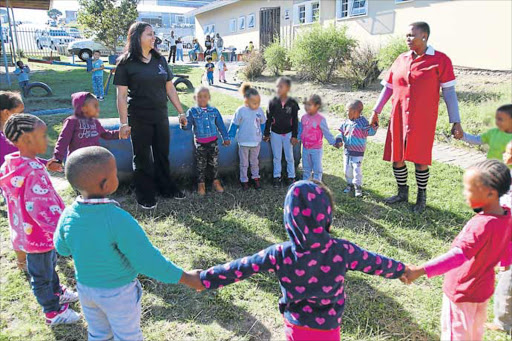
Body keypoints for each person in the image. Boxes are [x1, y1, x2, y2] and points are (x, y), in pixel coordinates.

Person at [200, 180, 406, 341]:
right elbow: (377, 263)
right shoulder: (342, 250)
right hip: (329, 330)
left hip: (295, 329)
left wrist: (204, 278)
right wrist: (403, 270)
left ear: (289, 217)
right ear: (327, 215)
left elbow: (241, 267)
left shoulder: (279, 253)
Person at [54, 146, 204, 340]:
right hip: (118, 294)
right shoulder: (118, 219)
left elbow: (61, 248)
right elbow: (147, 260)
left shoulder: (68, 215)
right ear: (106, 184)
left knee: (98, 334)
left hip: (86, 291)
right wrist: (186, 277)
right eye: (115, 173)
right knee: (127, 336)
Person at [402, 159, 512, 341]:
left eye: (470, 189)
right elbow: (508, 246)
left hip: (462, 291)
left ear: (491, 193)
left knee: (456, 336)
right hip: (482, 292)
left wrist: (420, 270)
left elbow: (458, 256)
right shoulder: (507, 216)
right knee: (474, 334)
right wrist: (506, 263)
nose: (465, 193)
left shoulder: (481, 224)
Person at [370, 21, 464, 213]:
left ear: (424, 36)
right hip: (398, 116)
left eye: (412, 35)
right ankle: (402, 192)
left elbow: (449, 93)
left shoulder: (440, 60)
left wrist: (456, 121)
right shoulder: (401, 59)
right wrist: (375, 111)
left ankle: (421, 197)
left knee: (420, 158)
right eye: (406, 36)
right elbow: (388, 88)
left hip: (423, 118)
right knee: (398, 156)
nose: (408, 39)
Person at [0, 114, 81, 325]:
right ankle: (52, 311)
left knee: (48, 266)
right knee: (41, 276)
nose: (48, 140)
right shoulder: (33, 171)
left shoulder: (12, 164)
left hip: (25, 231)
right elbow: (41, 207)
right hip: (40, 233)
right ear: (26, 140)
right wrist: (62, 228)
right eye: (43, 136)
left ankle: (57, 291)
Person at [114, 22, 187, 209]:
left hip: (160, 115)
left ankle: (166, 188)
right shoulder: (125, 63)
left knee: (162, 153)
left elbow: (170, 88)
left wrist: (180, 112)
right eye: (149, 34)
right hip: (139, 116)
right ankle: (145, 194)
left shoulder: (160, 60)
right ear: (137, 37)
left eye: (153, 34)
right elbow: (121, 95)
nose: (154, 37)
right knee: (143, 157)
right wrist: (123, 123)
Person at [47, 92, 119, 171]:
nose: (98, 109)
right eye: (95, 106)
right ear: (83, 108)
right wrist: (58, 159)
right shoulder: (72, 121)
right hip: (77, 162)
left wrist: (120, 133)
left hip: (94, 160)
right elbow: (63, 140)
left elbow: (106, 134)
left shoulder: (95, 122)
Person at [181, 87, 230, 196]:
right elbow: (187, 127)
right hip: (200, 144)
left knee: (214, 164)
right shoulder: (192, 112)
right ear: (195, 98)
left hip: (213, 142)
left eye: (205, 97)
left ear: (209, 98)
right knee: (200, 165)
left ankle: (215, 181)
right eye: (199, 97)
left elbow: (221, 125)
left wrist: (225, 138)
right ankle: (201, 184)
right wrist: (183, 124)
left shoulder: (214, 111)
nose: (202, 99)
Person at [0, 91, 26, 270]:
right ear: (5, 113)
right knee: (18, 219)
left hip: (10, 181)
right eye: (19, 111)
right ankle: (22, 261)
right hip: (10, 184)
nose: (22, 116)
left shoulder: (7, 132)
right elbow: (18, 157)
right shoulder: (4, 139)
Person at [336, 100, 377, 197]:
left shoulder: (363, 123)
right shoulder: (346, 122)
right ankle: (349, 184)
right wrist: (338, 139)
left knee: (356, 170)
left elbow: (370, 132)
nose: (346, 113)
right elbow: (341, 132)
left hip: (358, 152)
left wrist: (374, 124)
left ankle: (357, 187)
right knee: (347, 170)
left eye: (347, 110)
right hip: (347, 152)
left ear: (354, 111)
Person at [228, 83, 266, 190]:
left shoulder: (259, 110)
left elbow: (263, 124)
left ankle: (256, 179)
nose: (257, 105)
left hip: (256, 142)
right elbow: (234, 124)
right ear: (246, 101)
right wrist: (229, 137)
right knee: (244, 163)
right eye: (254, 103)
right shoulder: (240, 111)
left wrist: (266, 134)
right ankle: (244, 180)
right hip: (244, 142)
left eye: (258, 102)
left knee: (255, 162)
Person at [264, 77, 299, 187]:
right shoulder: (273, 102)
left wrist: (294, 135)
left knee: (289, 156)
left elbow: (295, 120)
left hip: (288, 134)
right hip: (275, 133)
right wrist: (267, 133)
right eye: (277, 86)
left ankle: (291, 177)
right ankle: (276, 177)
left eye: (281, 86)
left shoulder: (292, 103)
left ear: (287, 88)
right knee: (277, 157)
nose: (278, 88)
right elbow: (268, 119)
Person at [300, 95, 341, 182]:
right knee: (306, 168)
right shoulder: (303, 117)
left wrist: (333, 142)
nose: (306, 107)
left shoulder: (320, 119)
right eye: (305, 105)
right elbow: (301, 130)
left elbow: (326, 132)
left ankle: (316, 185)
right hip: (305, 148)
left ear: (317, 106)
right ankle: (305, 184)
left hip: (316, 149)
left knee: (317, 169)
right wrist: (296, 138)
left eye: (309, 105)